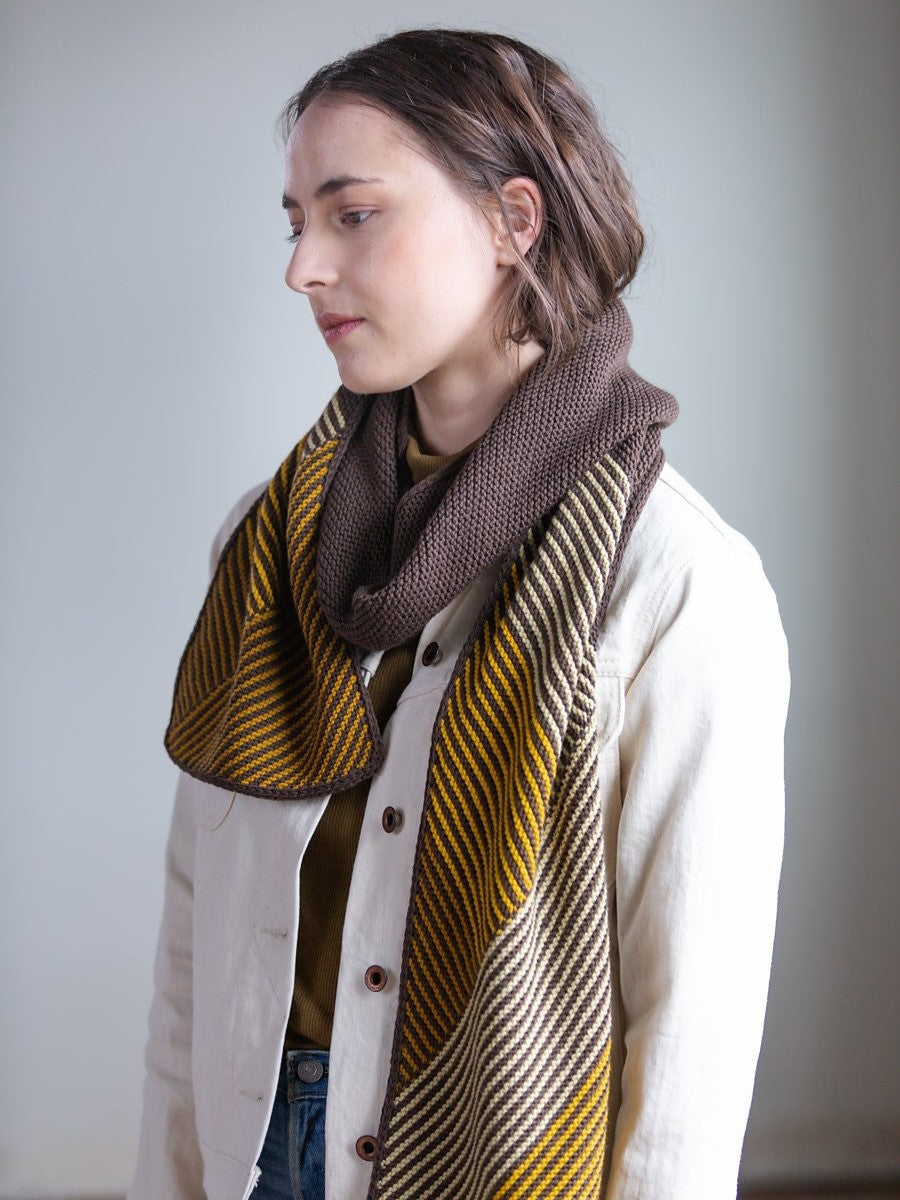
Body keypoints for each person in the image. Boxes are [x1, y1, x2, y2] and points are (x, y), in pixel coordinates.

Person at [126, 27, 790, 1200]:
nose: (303, 268)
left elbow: (692, 1019)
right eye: (296, 224)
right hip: (259, 1147)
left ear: (511, 221)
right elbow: (198, 931)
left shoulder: (673, 578)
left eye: (354, 214)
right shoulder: (262, 546)